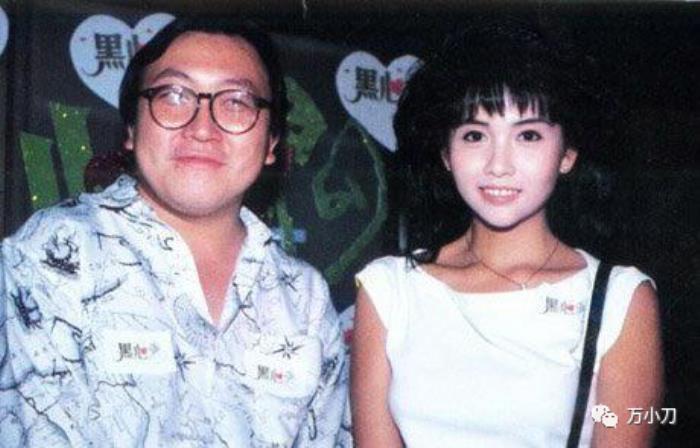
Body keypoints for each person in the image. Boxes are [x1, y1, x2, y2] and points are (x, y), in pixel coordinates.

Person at [0, 17, 348, 447]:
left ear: (272, 143)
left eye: (236, 102)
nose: (202, 128)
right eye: (174, 96)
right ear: (131, 129)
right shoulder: (51, 257)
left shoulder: (304, 298)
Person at [351, 22, 663, 447]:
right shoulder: (390, 290)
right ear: (446, 152)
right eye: (474, 135)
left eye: (528, 135)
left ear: (567, 154)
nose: (499, 165)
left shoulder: (618, 299)